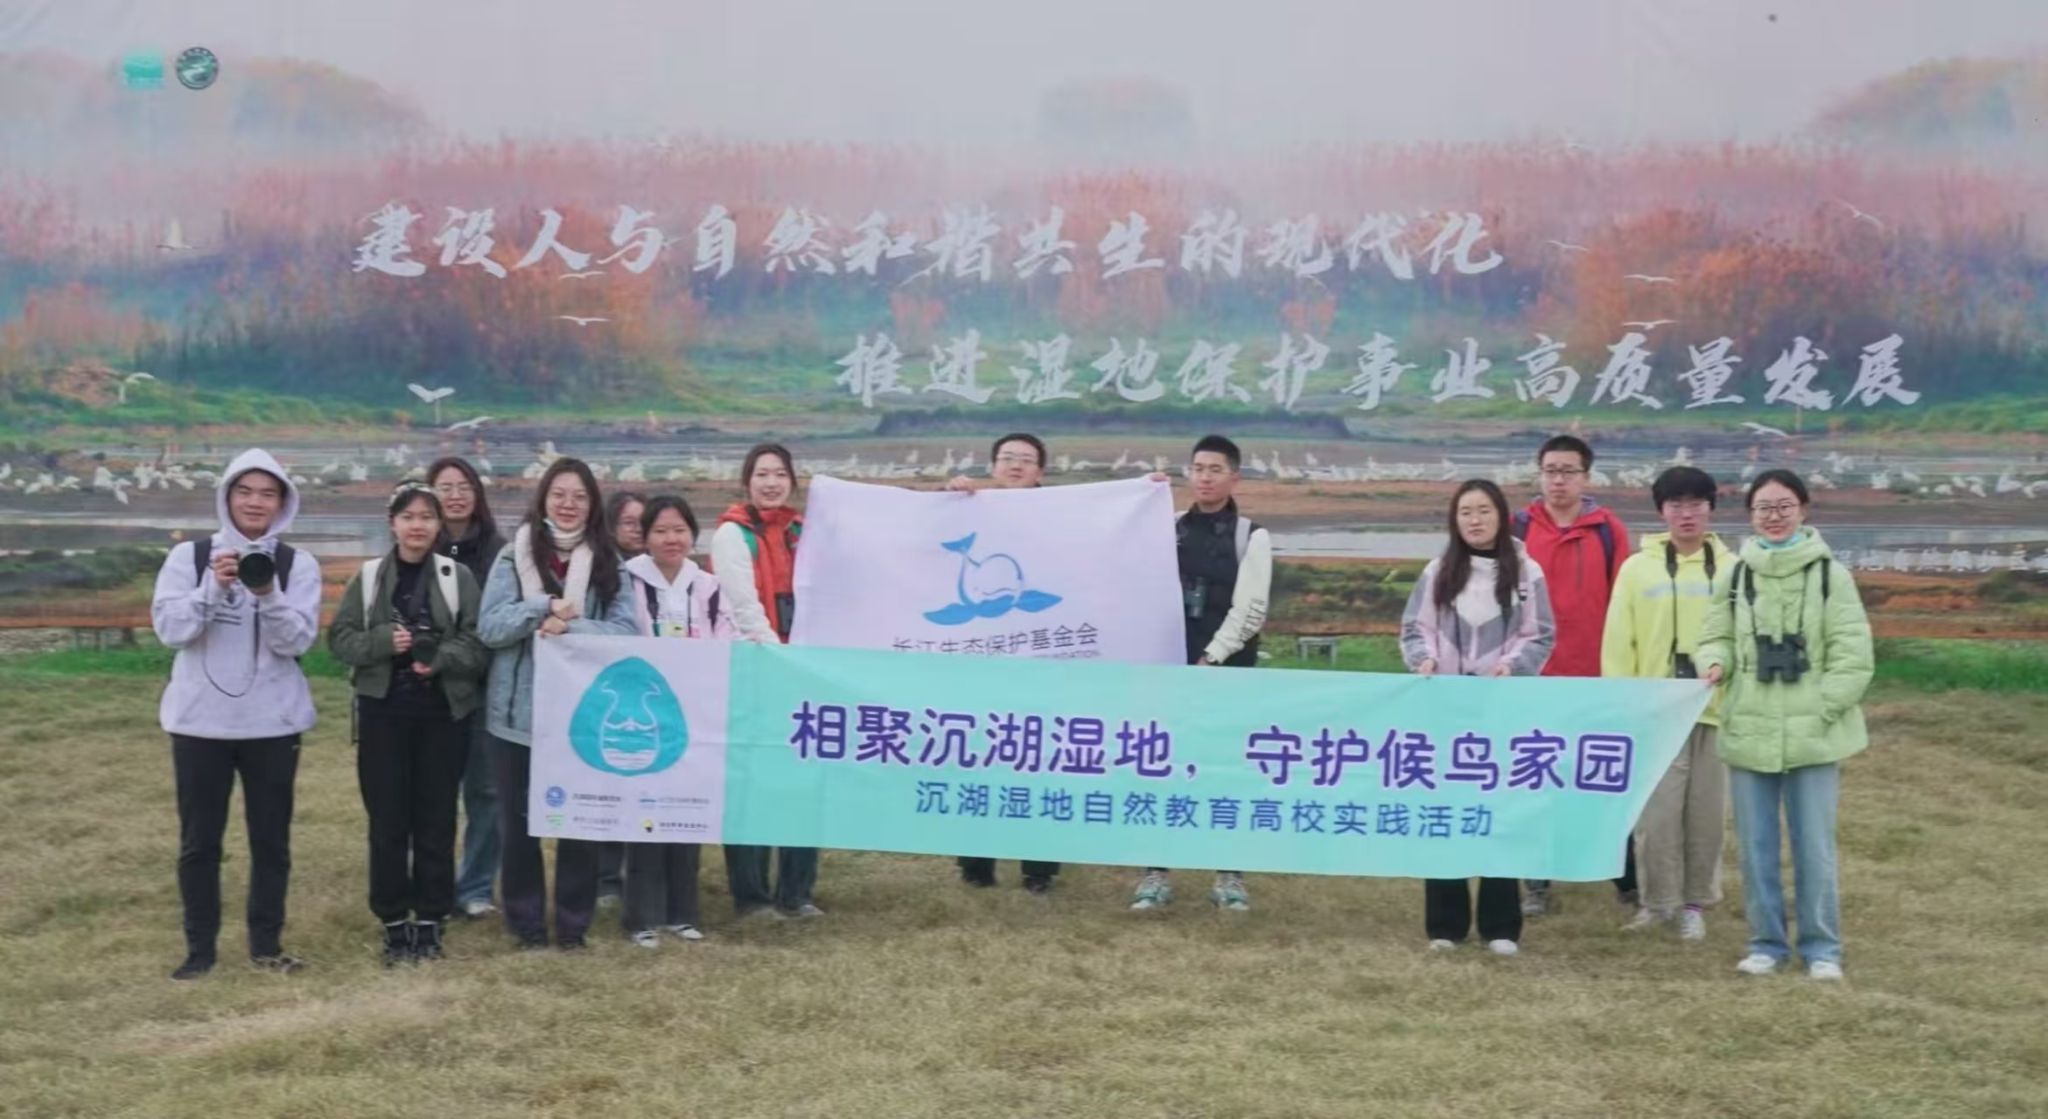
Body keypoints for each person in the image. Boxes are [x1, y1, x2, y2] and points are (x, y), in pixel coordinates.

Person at [150, 449, 320, 979]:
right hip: (199, 724)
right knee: (200, 842)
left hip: (273, 724)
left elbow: (296, 642)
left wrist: (266, 592)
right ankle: (199, 951)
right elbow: (170, 631)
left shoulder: (296, 565)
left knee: (271, 842)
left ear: (283, 503)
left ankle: (266, 946)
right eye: (244, 491)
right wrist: (213, 587)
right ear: (226, 497)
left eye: (267, 493)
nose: (255, 502)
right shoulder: (190, 557)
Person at [1697, 470, 1873, 981]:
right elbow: (1715, 636)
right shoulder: (1736, 575)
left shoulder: (1830, 575)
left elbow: (1852, 654)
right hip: (1749, 726)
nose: (1773, 517)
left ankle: (1822, 948)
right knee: (1756, 848)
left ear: (1803, 510)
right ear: (1750, 515)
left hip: (1814, 733)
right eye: (1763, 508)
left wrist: (1822, 708)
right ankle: (1766, 943)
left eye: (1783, 506)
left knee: (1814, 846)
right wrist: (1715, 663)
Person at [477, 458, 639, 950]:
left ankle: (572, 925)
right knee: (518, 827)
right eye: (559, 494)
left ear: (593, 506)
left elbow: (627, 631)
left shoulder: (609, 562)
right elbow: (490, 627)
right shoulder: (514, 556)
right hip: (515, 717)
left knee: (579, 824)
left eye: (580, 496)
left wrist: (572, 627)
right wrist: (540, 608)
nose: (569, 504)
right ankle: (526, 924)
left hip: (581, 718)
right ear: (544, 499)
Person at [328, 485, 489, 965]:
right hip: (383, 716)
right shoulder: (369, 578)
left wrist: (440, 658)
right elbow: (340, 639)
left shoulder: (456, 577)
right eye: (408, 517)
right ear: (392, 523)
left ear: (439, 525)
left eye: (426, 517)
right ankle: (394, 920)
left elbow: (478, 643)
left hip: (443, 716)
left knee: (436, 820)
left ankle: (431, 918)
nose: (417, 526)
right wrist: (383, 642)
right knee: (388, 821)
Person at [1400, 479, 1555, 956]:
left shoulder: (1526, 572)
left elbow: (1540, 633)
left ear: (1501, 516)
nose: (1474, 520)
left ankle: (1500, 925)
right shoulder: (1438, 571)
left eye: (1484, 510)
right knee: (1445, 812)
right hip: (1445, 712)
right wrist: (1425, 659)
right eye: (1465, 511)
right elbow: (1414, 628)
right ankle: (1445, 924)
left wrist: (1512, 666)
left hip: (1501, 711)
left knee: (1498, 811)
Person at [1130, 435, 1272, 913]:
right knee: (1162, 767)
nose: (1205, 478)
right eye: (1198, 469)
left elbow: (1251, 610)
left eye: (1215, 469)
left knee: (1225, 770)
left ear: (1234, 477)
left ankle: (1228, 874)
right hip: (1169, 669)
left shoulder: (1251, 536)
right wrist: (1139, 497)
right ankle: (1155, 872)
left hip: (1226, 672)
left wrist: (1212, 658)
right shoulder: (1167, 527)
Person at [1601, 466, 1730, 941]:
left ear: (1710, 508)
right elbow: (1620, 641)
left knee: (1705, 815)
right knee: (1656, 815)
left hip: (1714, 710)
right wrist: (1625, 702)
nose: (1686, 514)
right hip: (1655, 712)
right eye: (1676, 504)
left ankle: (1695, 903)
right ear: (1662, 511)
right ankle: (1656, 902)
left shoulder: (1732, 568)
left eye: (1696, 504)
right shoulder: (1637, 569)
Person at [1515, 434, 1633, 917]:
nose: (1558, 480)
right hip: (1533, 680)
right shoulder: (1519, 529)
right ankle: (1536, 882)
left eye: (1568, 471)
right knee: (1537, 778)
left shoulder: (1608, 531)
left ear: (1586, 477)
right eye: (1551, 471)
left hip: (1595, 678)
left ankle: (1625, 877)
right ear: (1540, 474)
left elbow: (1626, 603)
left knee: (1604, 779)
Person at [945, 432, 1064, 895]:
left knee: (1041, 759)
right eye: (1007, 458)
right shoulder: (971, 508)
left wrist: (1143, 495)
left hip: (1043, 661)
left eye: (1026, 460)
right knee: (979, 757)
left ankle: (1039, 869)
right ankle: (976, 863)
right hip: (983, 661)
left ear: (1041, 471)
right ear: (993, 465)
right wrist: (950, 497)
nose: (1016, 466)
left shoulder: (1063, 514)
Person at [710, 443, 823, 918]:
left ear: (792, 481)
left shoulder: (805, 532)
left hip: (806, 672)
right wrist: (779, 657)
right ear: (747, 481)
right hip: (756, 669)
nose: (771, 482)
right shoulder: (732, 535)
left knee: (805, 779)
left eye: (779, 474)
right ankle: (751, 894)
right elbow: (743, 606)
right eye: (761, 474)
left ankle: (797, 891)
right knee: (751, 782)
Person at [621, 495, 732, 947]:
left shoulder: (707, 586)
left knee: (687, 814)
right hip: (644, 716)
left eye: (680, 530)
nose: (671, 539)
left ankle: (682, 913)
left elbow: (726, 638)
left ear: (693, 534)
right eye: (661, 530)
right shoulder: (627, 581)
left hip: (694, 716)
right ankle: (640, 917)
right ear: (645, 536)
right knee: (644, 815)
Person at [427, 456, 506, 921]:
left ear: (477, 494)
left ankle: (475, 887)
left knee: (486, 793)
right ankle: (434, 886)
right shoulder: (417, 545)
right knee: (432, 795)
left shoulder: (500, 551)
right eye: (445, 487)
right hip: (428, 689)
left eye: (464, 487)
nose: (455, 496)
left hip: (481, 688)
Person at [594, 489, 648, 909]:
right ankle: (606, 878)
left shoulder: (664, 570)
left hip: (653, 690)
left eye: (644, 523)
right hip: (611, 685)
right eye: (629, 522)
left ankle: (644, 875)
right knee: (610, 786)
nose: (638, 530)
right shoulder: (602, 570)